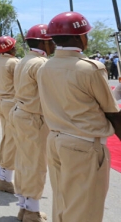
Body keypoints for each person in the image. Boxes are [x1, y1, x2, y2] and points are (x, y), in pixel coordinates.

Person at [37, 12, 118, 222]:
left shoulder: (45, 67)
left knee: (63, 205)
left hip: (56, 139)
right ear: (77, 38)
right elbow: (111, 112)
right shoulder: (89, 68)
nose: (87, 39)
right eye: (85, 35)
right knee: (84, 211)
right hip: (84, 146)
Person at [11, 24, 55, 222]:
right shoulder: (40, 63)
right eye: (52, 40)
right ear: (44, 42)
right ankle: (31, 211)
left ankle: (25, 206)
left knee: (24, 161)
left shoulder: (25, 60)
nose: (55, 44)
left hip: (22, 113)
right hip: (34, 117)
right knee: (35, 164)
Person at [0, 36, 19, 194]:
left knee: (6, 138)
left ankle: (1, 175)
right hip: (11, 102)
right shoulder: (13, 63)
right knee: (12, 141)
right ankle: (6, 179)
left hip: (2, 101)